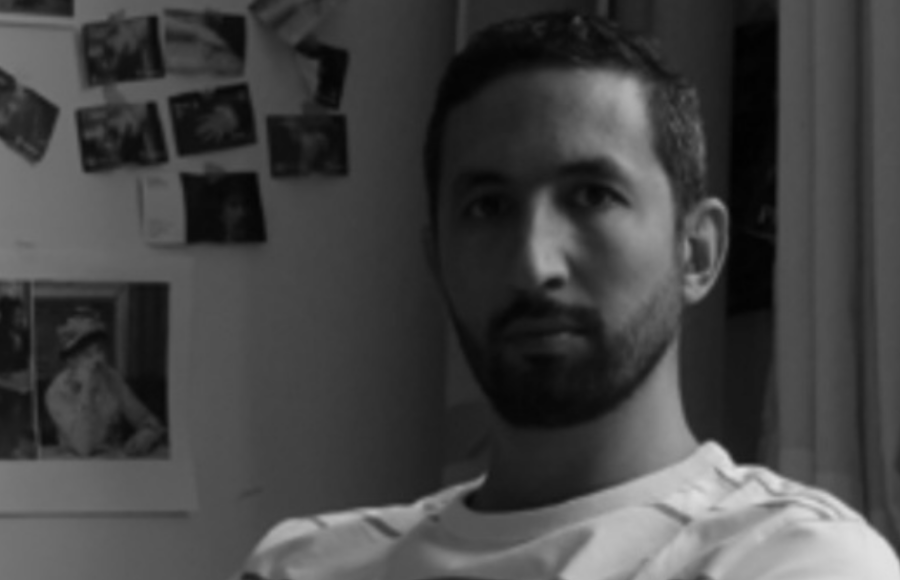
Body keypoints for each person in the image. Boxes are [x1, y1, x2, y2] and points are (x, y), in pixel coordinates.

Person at [233, 11, 900, 580]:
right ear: (437, 261)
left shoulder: (790, 558)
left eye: (592, 197)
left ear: (697, 251)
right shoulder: (304, 561)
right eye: (488, 207)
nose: (534, 264)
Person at [44, 308, 166, 458]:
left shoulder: (111, 378)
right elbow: (84, 448)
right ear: (71, 361)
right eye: (88, 355)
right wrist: (87, 390)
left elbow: (149, 421)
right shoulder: (57, 392)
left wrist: (147, 434)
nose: (99, 359)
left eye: (100, 350)